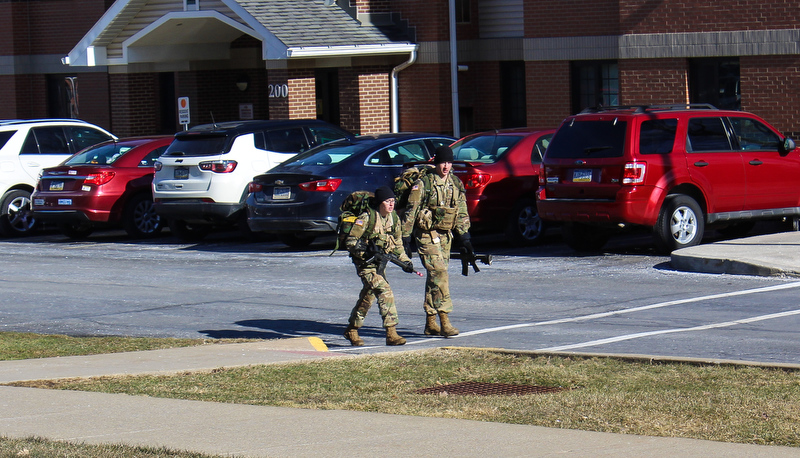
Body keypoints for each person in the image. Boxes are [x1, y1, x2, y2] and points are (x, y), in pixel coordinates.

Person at [401, 145, 472, 337]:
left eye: (449, 162)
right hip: (426, 235)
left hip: (445, 236)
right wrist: (405, 237)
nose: (446, 166)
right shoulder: (424, 184)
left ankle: (430, 322)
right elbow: (411, 210)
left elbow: (461, 210)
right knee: (440, 273)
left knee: (435, 277)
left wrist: (464, 236)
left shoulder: (455, 183)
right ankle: (444, 318)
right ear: (436, 163)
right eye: (443, 162)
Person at [343, 186, 415, 346]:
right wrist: (367, 250)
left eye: (393, 201)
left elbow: (397, 244)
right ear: (380, 203)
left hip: (380, 264)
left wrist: (405, 261)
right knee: (384, 290)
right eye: (387, 201)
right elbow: (351, 242)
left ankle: (352, 329)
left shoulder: (393, 218)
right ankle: (391, 333)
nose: (391, 205)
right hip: (365, 264)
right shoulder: (367, 218)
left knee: (368, 296)